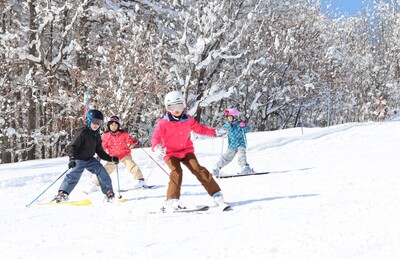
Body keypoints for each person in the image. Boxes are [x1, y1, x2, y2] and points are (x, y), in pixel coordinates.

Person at [151, 91, 226, 210]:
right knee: (176, 172)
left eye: (179, 106)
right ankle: (172, 200)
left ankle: (216, 194)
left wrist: (215, 132)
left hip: (186, 151)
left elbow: (200, 129)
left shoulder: (188, 119)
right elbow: (156, 137)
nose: (176, 110)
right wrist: (156, 148)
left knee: (198, 169)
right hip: (170, 153)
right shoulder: (163, 123)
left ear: (184, 105)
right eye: (172, 107)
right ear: (167, 108)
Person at [53, 109, 119, 203]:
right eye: (95, 122)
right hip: (79, 159)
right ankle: (63, 193)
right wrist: (72, 158)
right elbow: (72, 146)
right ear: (88, 120)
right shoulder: (82, 132)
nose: (97, 125)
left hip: (90, 159)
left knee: (101, 171)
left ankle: (108, 192)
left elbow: (100, 151)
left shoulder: (96, 135)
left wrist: (110, 158)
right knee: (74, 175)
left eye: (99, 122)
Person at [92, 115, 145, 188]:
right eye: (112, 125)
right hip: (113, 157)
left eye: (115, 125)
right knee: (106, 169)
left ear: (118, 126)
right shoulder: (106, 136)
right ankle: (95, 183)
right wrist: (99, 155)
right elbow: (102, 147)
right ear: (109, 125)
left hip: (124, 154)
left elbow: (130, 140)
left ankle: (140, 180)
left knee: (132, 165)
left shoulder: (123, 134)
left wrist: (135, 142)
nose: (113, 126)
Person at [212, 108, 252, 176]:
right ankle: (216, 168)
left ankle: (245, 168)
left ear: (235, 116)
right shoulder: (228, 125)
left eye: (230, 116)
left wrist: (244, 126)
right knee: (226, 157)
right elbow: (222, 130)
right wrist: (219, 132)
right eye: (228, 117)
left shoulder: (240, 124)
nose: (228, 118)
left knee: (241, 156)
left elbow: (248, 129)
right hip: (232, 145)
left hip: (241, 144)